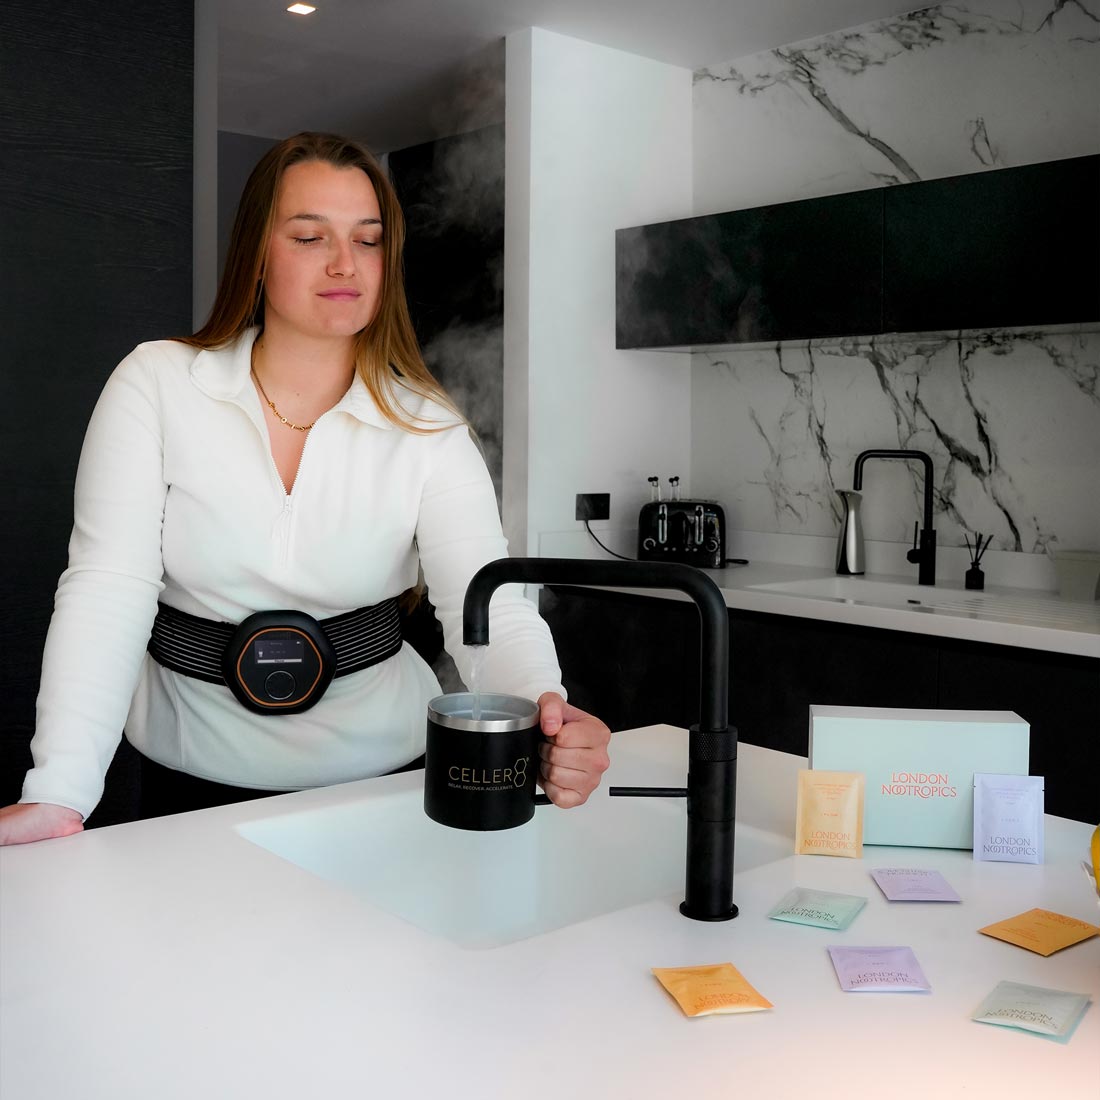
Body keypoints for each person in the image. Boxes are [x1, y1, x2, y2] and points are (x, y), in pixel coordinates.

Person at [0, 132, 610, 846]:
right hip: (184, 780)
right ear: (257, 252)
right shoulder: (157, 383)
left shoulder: (428, 425)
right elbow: (108, 585)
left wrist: (548, 709)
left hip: (385, 782)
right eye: (310, 236)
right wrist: (62, 791)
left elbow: (486, 604)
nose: (346, 263)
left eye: (368, 239)